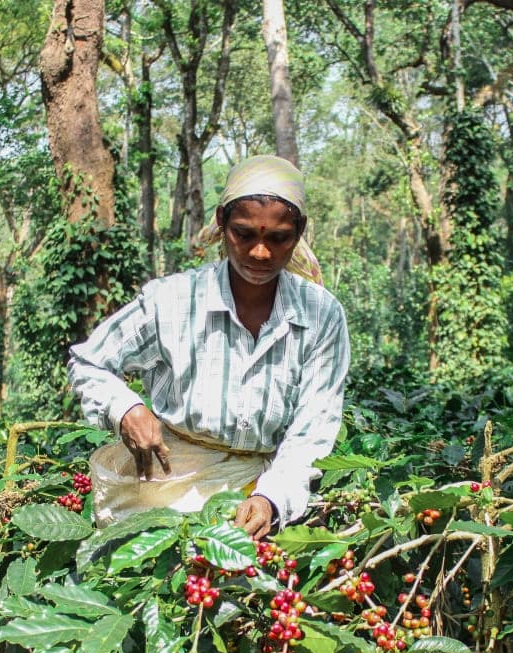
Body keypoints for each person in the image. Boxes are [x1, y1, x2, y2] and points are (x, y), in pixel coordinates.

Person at [68, 155, 350, 538]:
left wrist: (271, 498)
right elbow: (89, 363)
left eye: (278, 238)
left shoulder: (320, 315)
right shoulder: (172, 300)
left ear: (299, 232)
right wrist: (125, 408)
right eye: (244, 234)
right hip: (163, 487)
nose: (260, 252)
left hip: (262, 491)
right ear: (221, 223)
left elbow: (313, 429)